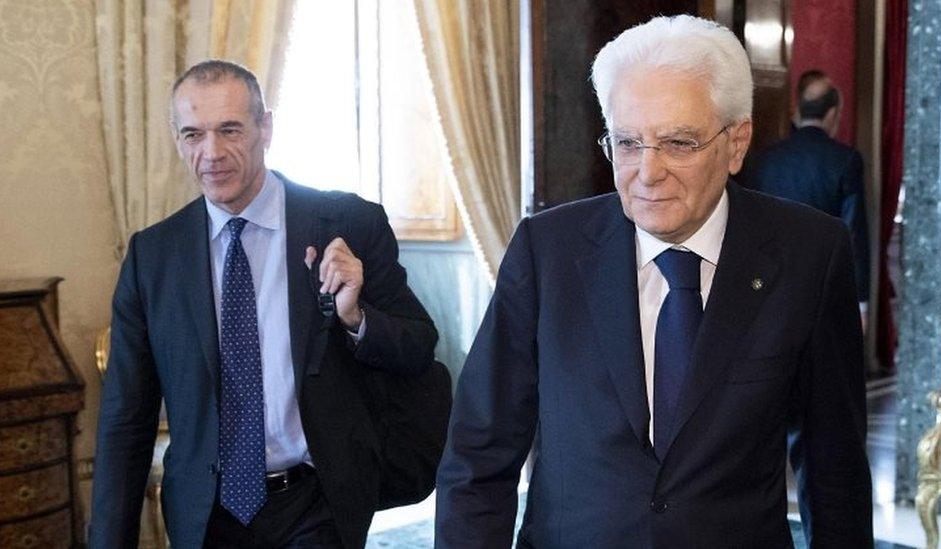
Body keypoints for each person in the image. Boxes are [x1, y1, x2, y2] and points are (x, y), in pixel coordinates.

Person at [435, 15, 872, 548]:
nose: (647, 171)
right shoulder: (547, 252)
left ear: (737, 143)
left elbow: (835, 464)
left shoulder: (810, 254)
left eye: (678, 143)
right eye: (627, 142)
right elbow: (479, 455)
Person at [90, 60, 440, 548]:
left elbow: (419, 347)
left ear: (265, 128)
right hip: (207, 514)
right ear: (177, 140)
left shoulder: (347, 223)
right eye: (193, 135)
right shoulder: (153, 257)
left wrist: (356, 317)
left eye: (229, 129)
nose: (211, 153)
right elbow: (126, 418)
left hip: (317, 500)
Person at [744, 70, 871, 321]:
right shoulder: (846, 161)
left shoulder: (763, 160)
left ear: (798, 108)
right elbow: (853, 234)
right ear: (833, 113)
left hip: (769, 285)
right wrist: (861, 301)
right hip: (824, 286)